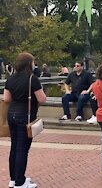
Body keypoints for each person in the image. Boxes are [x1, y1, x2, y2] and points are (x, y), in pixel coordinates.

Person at [4, 52, 47, 188]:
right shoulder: (32, 79)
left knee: (14, 147)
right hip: (25, 116)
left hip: (11, 115)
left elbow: (6, 99)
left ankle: (13, 179)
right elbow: (42, 99)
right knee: (23, 149)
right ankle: (20, 182)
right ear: (29, 64)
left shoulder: (10, 79)